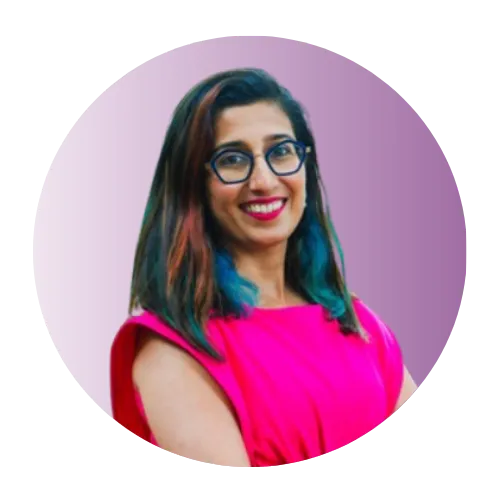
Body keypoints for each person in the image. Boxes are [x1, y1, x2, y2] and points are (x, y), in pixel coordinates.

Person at [110, 67, 418, 468]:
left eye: (281, 152)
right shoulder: (173, 347)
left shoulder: (361, 325)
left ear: (306, 166)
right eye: (232, 159)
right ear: (194, 186)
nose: (263, 180)